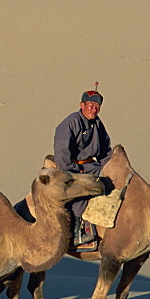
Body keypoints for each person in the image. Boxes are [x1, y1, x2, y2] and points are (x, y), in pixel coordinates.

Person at [53, 89, 112, 247]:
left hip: (91, 166)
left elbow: (106, 150)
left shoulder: (97, 124)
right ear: (82, 105)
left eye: (97, 106)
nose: (94, 109)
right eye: (91, 105)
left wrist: (109, 166)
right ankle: (76, 233)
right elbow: (61, 153)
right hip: (70, 167)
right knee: (84, 189)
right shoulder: (70, 123)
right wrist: (75, 170)